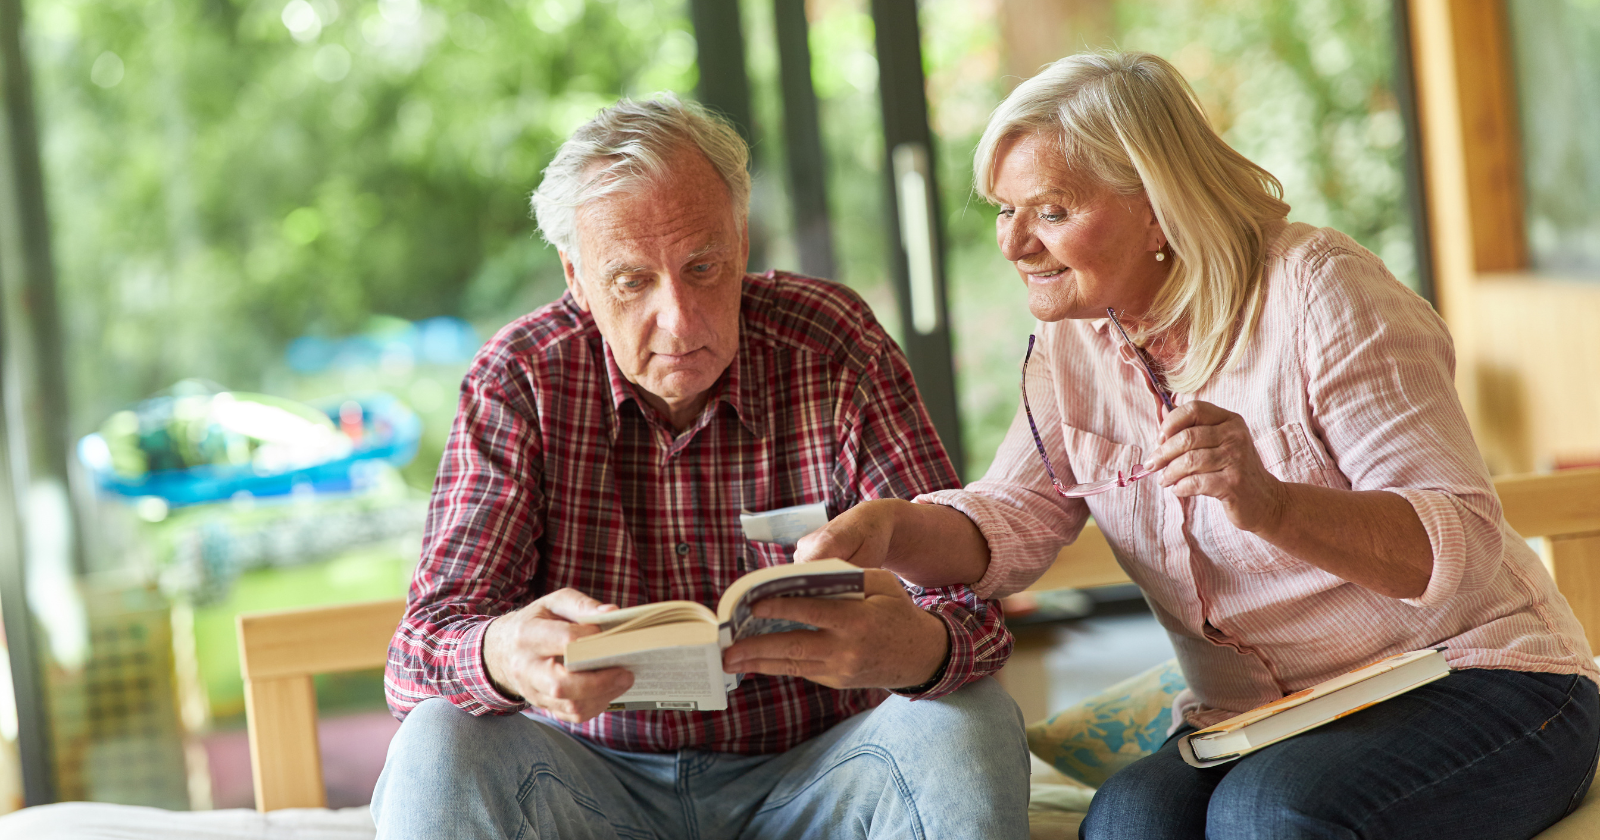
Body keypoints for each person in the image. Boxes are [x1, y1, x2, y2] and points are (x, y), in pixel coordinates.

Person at [797, 52, 1600, 839]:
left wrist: (1270, 503)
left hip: (1478, 678)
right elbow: (1013, 522)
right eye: (1004, 211)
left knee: (1270, 813)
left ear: (1156, 207)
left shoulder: (1322, 292)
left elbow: (1452, 545)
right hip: (1263, 718)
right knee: (1126, 821)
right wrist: (893, 528)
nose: (1013, 244)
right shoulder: (1070, 350)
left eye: (1051, 210)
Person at [370, 95, 1029, 840]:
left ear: (743, 241)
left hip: (817, 775)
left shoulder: (833, 347)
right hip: (587, 784)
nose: (679, 319)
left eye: (703, 266)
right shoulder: (520, 380)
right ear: (576, 277)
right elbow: (417, 653)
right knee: (437, 740)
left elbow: (973, 618)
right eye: (631, 281)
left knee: (971, 720)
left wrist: (916, 648)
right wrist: (499, 653)